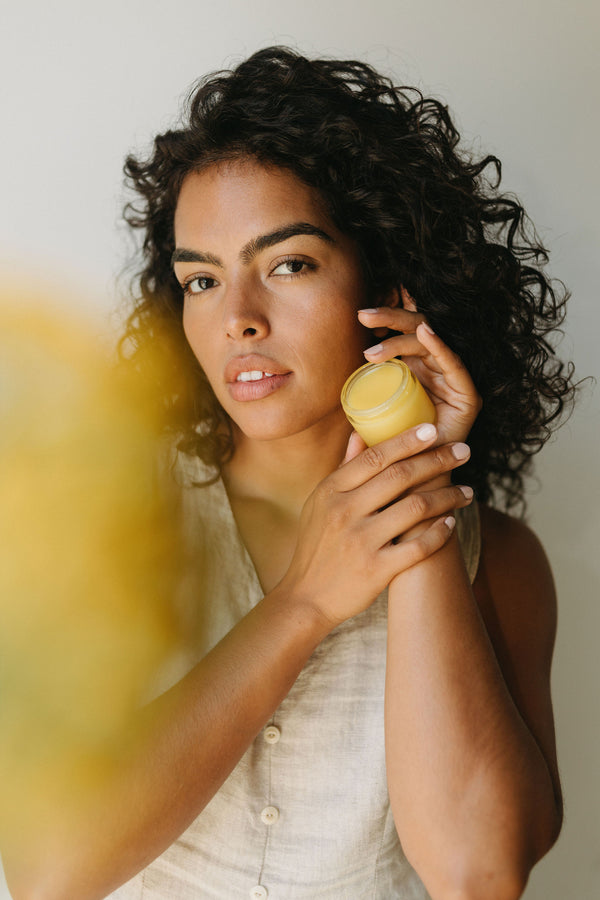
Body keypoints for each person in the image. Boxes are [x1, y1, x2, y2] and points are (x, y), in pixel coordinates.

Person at [3, 46, 576, 900]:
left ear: (386, 284)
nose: (237, 319)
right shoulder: (96, 519)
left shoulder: (502, 563)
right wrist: (305, 602)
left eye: (288, 265)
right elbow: (50, 870)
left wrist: (415, 493)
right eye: (201, 279)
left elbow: (476, 873)